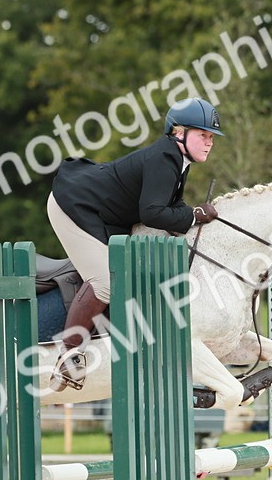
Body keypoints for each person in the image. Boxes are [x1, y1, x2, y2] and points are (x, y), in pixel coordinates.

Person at [46, 97, 222, 390]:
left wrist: (192, 215)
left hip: (104, 213)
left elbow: (171, 207)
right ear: (179, 133)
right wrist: (193, 215)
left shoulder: (178, 162)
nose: (209, 142)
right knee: (104, 282)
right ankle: (68, 357)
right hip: (73, 205)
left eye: (211, 137)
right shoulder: (164, 160)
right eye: (203, 135)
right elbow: (152, 213)